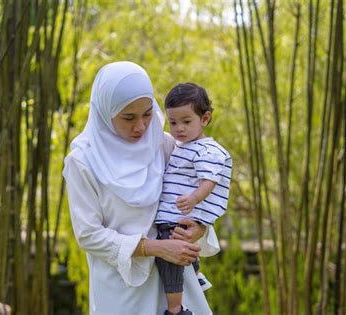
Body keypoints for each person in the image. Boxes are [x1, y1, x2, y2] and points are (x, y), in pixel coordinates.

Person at [63, 62, 220, 315]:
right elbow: (89, 234)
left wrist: (198, 228)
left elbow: (194, 197)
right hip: (122, 289)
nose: (141, 126)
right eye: (128, 117)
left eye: (147, 114)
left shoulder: (164, 145)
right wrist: (156, 248)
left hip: (177, 284)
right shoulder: (82, 161)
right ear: (105, 112)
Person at [155, 83, 232, 315]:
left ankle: (175, 309)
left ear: (205, 119)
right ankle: (196, 274)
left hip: (180, 215)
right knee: (180, 250)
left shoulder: (206, 149)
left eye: (186, 122)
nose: (179, 128)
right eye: (173, 122)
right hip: (175, 213)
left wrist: (194, 198)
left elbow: (211, 179)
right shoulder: (181, 145)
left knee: (168, 260)